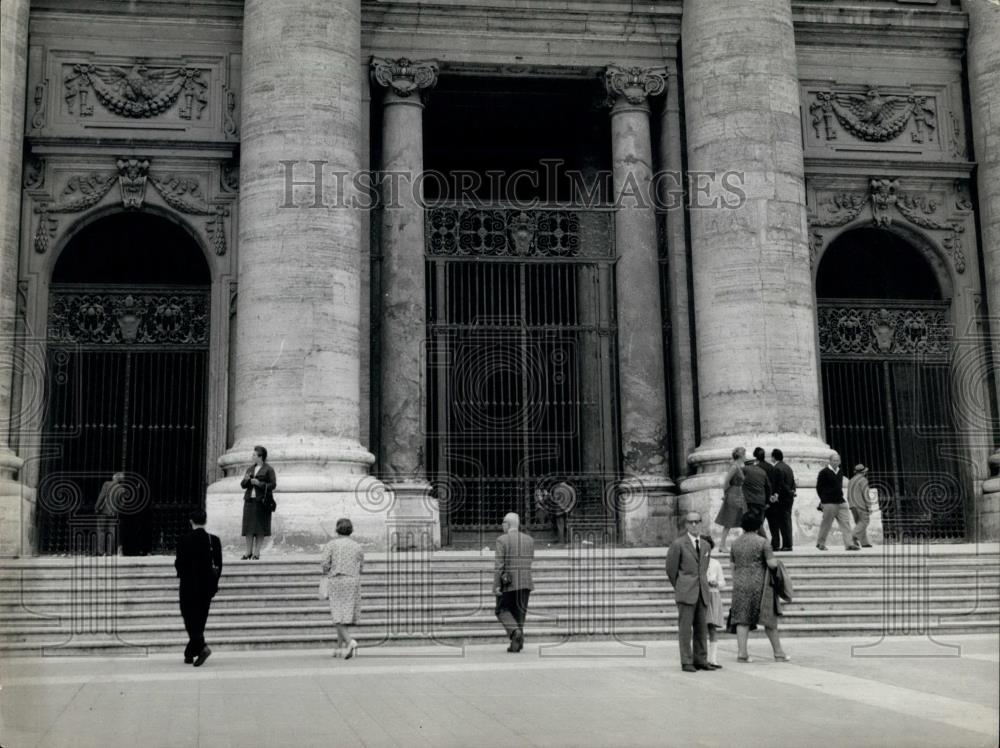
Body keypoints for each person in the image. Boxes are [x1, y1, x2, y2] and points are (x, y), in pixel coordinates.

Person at [729, 512, 789, 663]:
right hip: (760, 585)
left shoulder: (735, 543)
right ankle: (779, 653)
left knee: (742, 620)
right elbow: (772, 564)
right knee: (769, 619)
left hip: (740, 584)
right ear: (758, 525)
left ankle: (742, 654)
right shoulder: (763, 542)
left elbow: (732, 566)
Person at [174, 508, 222, 666]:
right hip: (206, 587)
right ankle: (189, 652)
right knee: (199, 621)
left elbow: (179, 564)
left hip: (188, 586)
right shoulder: (213, 540)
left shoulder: (183, 539)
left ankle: (202, 649)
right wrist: (213, 584)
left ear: (191, 521)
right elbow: (219, 565)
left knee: (189, 619)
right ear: (205, 521)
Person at [665, 512, 712, 672]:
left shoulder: (706, 545)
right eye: (690, 522)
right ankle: (686, 660)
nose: (694, 525)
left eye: (697, 522)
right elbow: (671, 569)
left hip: (702, 591)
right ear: (685, 525)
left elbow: (704, 568)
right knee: (685, 628)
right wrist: (680, 585)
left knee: (701, 627)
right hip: (686, 591)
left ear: (701, 523)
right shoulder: (678, 544)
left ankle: (701, 659)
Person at [320, 517, 365, 659]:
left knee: (336, 614)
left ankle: (350, 642)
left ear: (337, 529)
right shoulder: (357, 546)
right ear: (351, 530)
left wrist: (326, 572)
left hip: (337, 580)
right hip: (352, 580)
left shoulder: (331, 545)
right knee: (343, 613)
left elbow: (325, 564)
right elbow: (361, 565)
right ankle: (339, 648)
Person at [494, 512, 534, 653]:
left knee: (501, 609)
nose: (502, 525)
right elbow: (530, 559)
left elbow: (499, 565)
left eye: (503, 523)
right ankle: (518, 642)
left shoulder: (502, 540)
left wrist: (497, 586)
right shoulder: (529, 540)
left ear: (508, 524)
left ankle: (515, 631)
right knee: (520, 612)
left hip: (509, 583)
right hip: (526, 582)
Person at [816, 451, 859, 551]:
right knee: (826, 524)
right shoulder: (823, 472)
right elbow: (819, 488)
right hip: (829, 502)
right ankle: (820, 543)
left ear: (839, 462)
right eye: (834, 460)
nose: (836, 462)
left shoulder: (840, 471)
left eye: (837, 460)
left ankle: (849, 544)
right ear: (830, 461)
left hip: (841, 501)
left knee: (846, 523)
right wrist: (823, 500)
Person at [241, 445, 276, 560]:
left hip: (262, 502)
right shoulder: (250, 469)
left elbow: (273, 485)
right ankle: (248, 552)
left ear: (260, 457)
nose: (252, 456)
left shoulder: (268, 469)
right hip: (249, 500)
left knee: (260, 527)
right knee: (248, 527)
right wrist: (246, 480)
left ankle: (256, 553)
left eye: (254, 455)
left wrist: (259, 483)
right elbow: (243, 485)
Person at [714, 447, 746, 553]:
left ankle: (745, 544)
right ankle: (722, 545)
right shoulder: (734, 467)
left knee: (742, 520)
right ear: (741, 456)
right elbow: (726, 482)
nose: (745, 456)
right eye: (744, 454)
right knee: (729, 520)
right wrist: (726, 495)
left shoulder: (739, 466)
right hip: (733, 494)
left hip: (739, 494)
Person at [703, 534, 725, 669]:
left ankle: (713, 658)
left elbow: (723, 582)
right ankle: (701, 657)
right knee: (701, 628)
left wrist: (716, 583)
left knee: (712, 628)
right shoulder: (695, 563)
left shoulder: (715, 563)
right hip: (701, 596)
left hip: (713, 596)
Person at [769, 448, 797, 551]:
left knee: (783, 522)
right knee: (787, 520)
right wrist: (793, 491)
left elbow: (780, 484)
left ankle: (787, 545)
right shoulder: (788, 467)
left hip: (782, 498)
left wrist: (777, 494)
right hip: (789, 498)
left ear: (773, 457)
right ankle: (788, 544)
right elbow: (793, 482)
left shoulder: (777, 468)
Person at [534, 479, 574, 545]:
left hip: (560, 510)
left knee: (560, 525)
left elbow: (555, 500)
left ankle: (561, 541)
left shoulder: (558, 489)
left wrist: (549, 497)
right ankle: (569, 541)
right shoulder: (571, 488)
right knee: (568, 525)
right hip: (568, 510)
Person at [94, 472, 125, 556]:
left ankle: (101, 552)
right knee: (111, 532)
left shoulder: (107, 484)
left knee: (101, 531)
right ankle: (110, 552)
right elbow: (122, 504)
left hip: (103, 512)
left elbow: (102, 496)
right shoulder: (122, 489)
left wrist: (96, 507)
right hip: (113, 513)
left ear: (114, 478)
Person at [741, 455, 772, 533]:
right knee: (758, 523)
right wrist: (767, 501)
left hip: (750, 501)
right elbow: (768, 487)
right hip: (761, 501)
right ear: (754, 461)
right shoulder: (762, 471)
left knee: (752, 523)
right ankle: (762, 542)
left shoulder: (743, 470)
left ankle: (764, 541)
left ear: (744, 462)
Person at [848, 464, 873, 548]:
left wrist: (851, 504)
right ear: (864, 472)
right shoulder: (863, 480)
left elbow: (848, 494)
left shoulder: (851, 480)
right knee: (865, 521)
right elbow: (865, 493)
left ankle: (864, 542)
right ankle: (852, 536)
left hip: (852, 505)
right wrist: (869, 506)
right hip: (861, 505)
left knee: (859, 523)